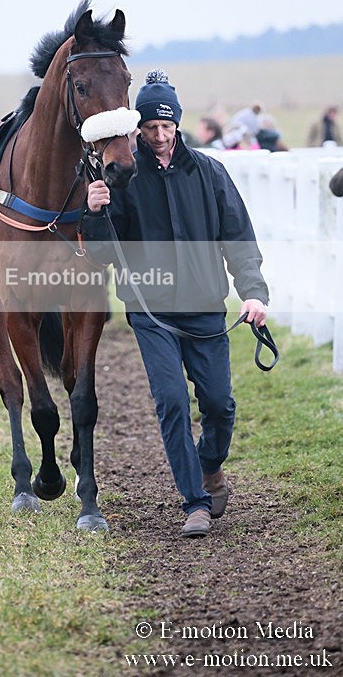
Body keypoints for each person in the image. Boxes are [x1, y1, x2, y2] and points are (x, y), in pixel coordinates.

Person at [82, 69, 269, 539]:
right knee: (170, 402)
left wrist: (253, 293)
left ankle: (210, 465)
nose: (160, 137)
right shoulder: (122, 178)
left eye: (167, 127)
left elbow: (238, 237)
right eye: (150, 128)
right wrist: (96, 213)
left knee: (220, 406)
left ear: (178, 125)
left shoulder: (209, 172)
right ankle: (196, 503)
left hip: (207, 308)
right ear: (136, 129)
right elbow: (105, 254)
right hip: (151, 313)